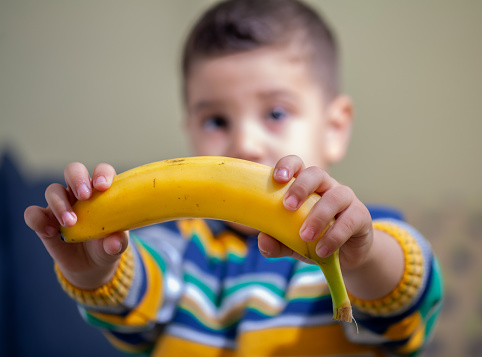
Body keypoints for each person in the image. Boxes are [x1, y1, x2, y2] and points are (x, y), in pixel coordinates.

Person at [24, 0, 443, 355]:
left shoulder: (356, 234)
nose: (245, 144)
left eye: (276, 113)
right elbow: (133, 305)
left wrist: (364, 259)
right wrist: (94, 270)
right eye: (217, 119)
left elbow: (403, 303)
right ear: (188, 128)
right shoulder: (178, 248)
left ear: (335, 128)